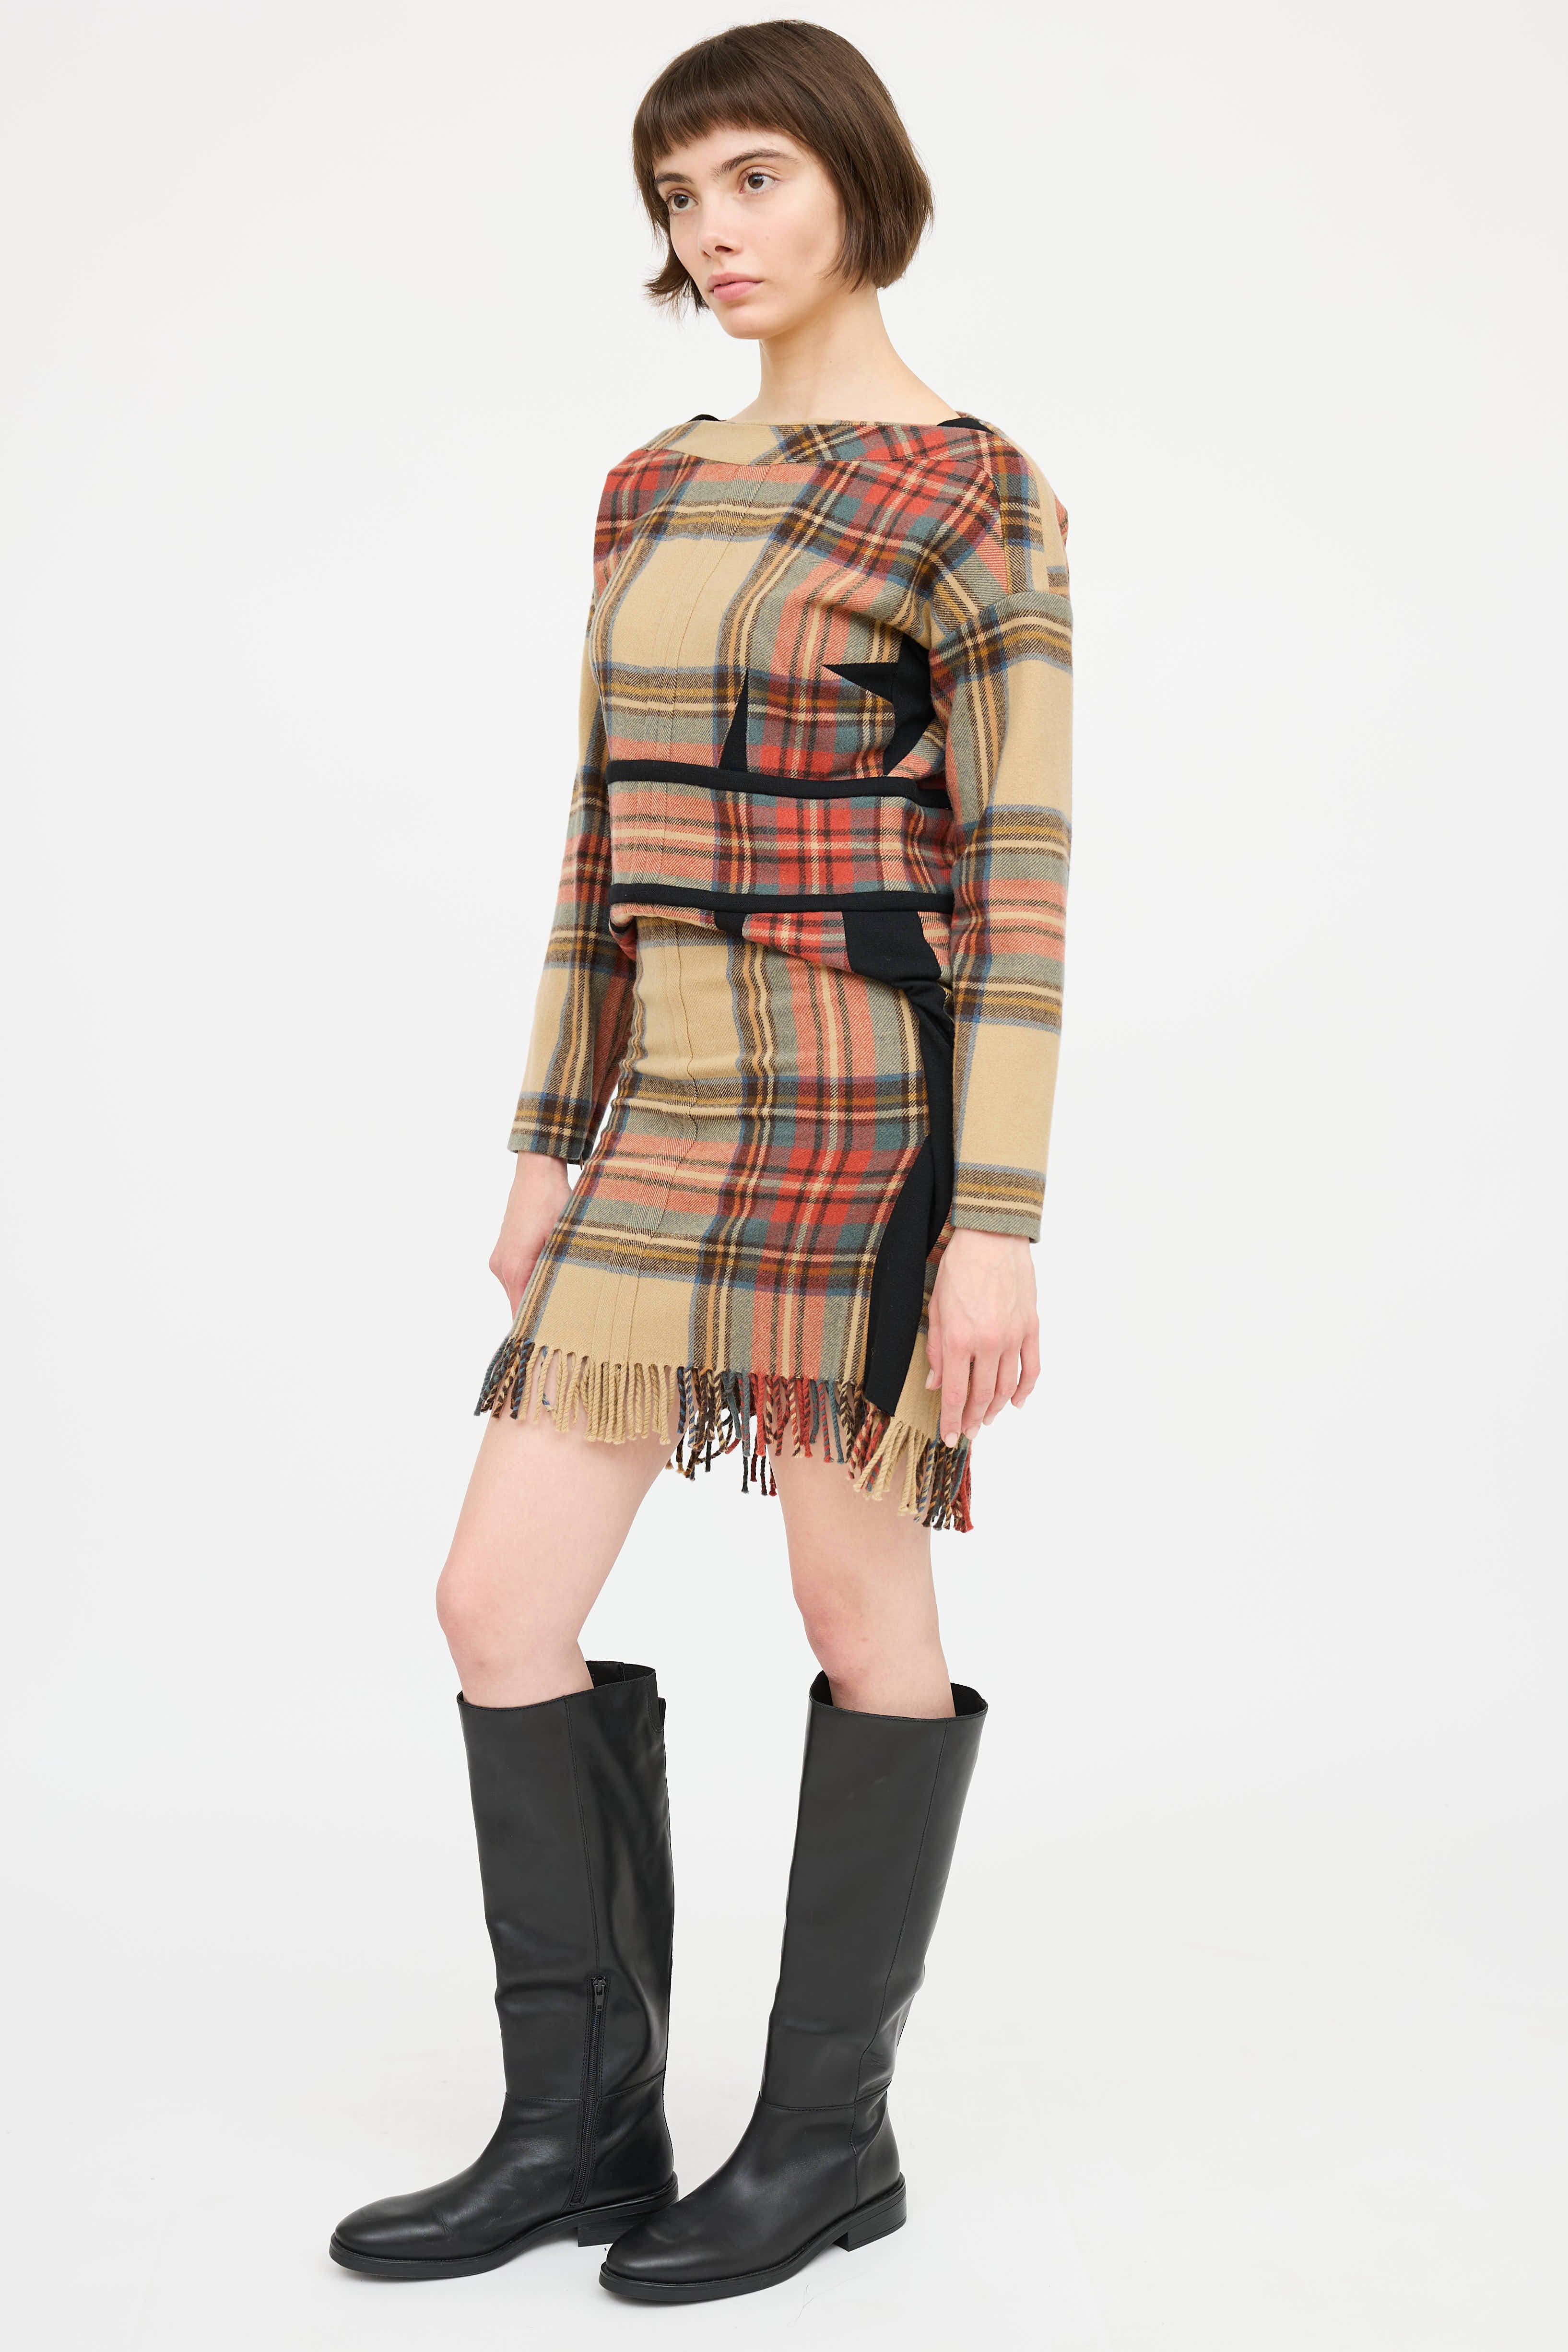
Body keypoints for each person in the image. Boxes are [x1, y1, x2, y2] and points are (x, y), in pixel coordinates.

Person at [329, 18, 1072, 2305]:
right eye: (678, 196)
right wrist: (547, 1133)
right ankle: (576, 2125)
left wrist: (993, 1225)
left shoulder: (972, 492)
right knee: (495, 1602)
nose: (710, 232)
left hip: (862, 1107)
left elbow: (1018, 886)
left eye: (751, 179)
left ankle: (826, 2140)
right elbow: (598, 843)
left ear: (855, 179)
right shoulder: (649, 486)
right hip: (660, 1106)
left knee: (855, 1614)